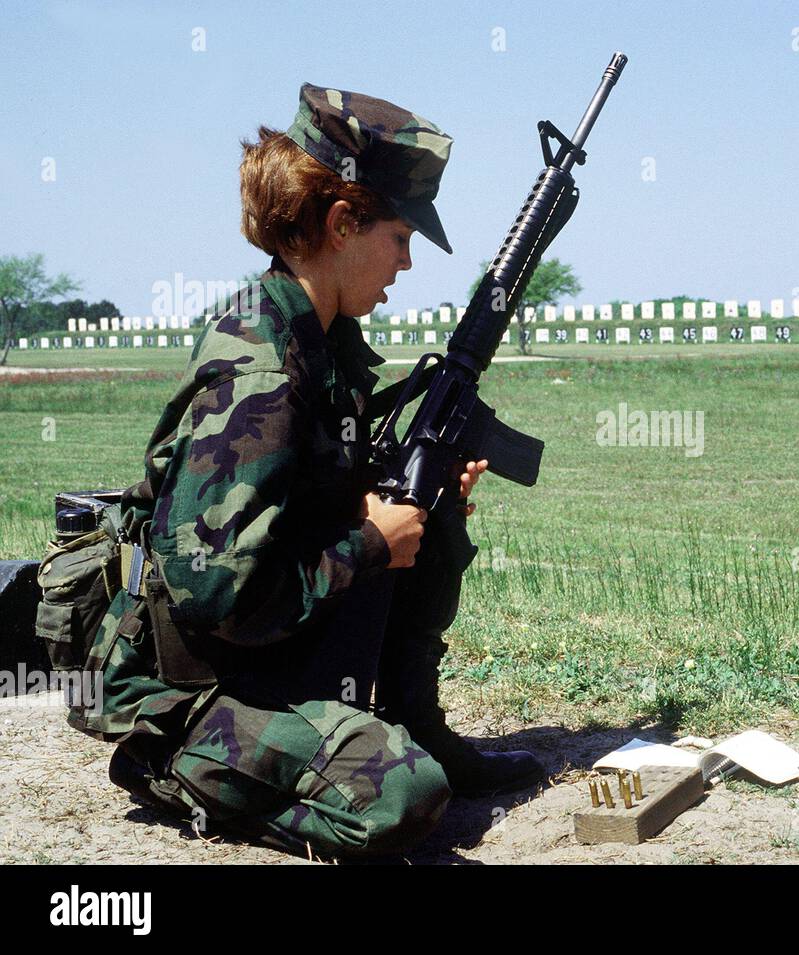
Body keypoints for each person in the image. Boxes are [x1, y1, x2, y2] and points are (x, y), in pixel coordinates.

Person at [84, 83, 545, 860]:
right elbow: (213, 597)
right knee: (403, 794)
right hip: (190, 689)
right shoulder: (262, 374)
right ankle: (172, 767)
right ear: (341, 224)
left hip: (260, 658)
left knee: (419, 520)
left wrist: (418, 512)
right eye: (399, 237)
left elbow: (318, 504)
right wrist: (366, 543)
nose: (405, 261)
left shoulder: (323, 345)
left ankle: (413, 718)